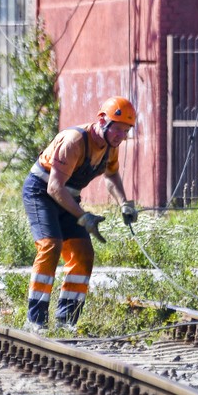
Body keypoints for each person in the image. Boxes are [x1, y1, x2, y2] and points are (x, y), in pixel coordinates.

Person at [22, 96, 139, 332]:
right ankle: (35, 321)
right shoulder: (74, 141)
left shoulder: (110, 147)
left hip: (68, 197)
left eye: (125, 131)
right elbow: (54, 188)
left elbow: (112, 176)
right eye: (117, 129)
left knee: (83, 254)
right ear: (101, 121)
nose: (120, 136)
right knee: (51, 245)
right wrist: (84, 217)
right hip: (41, 192)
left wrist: (124, 203)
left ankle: (66, 321)